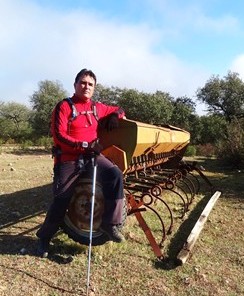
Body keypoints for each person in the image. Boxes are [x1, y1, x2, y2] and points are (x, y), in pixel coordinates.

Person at [36, 68, 126, 257]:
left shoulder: (97, 107)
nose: (86, 87)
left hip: (91, 157)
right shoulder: (64, 106)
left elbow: (120, 109)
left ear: (94, 88)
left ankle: (110, 224)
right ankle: (44, 237)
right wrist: (85, 144)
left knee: (115, 174)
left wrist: (115, 117)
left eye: (90, 84)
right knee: (61, 198)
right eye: (83, 83)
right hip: (68, 159)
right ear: (75, 85)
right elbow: (59, 136)